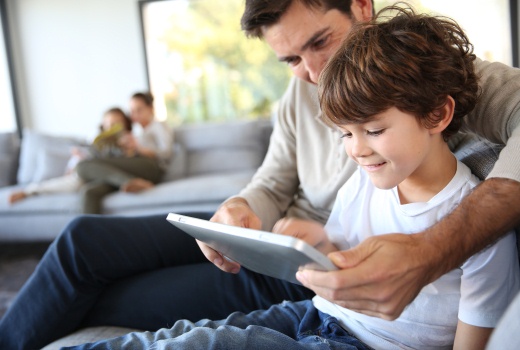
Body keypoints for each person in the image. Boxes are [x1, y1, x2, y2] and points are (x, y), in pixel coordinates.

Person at [0, 0, 519, 349]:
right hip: (286, 241)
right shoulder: (304, 92)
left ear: (362, 6)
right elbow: (272, 180)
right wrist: (244, 210)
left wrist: (439, 247)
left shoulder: (436, 78)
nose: (312, 73)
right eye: (291, 58)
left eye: (320, 43)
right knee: (82, 241)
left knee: (104, 298)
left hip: (306, 280)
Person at [7, 107, 132, 206]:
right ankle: (30, 190)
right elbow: (84, 158)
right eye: (109, 124)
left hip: (109, 176)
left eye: (116, 124)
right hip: (89, 174)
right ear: (103, 125)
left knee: (83, 184)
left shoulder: (130, 141)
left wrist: (129, 148)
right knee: (75, 180)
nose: (112, 127)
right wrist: (77, 159)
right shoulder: (95, 141)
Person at [75, 92, 173, 213]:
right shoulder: (136, 130)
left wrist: (137, 148)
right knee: (89, 192)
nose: (135, 115)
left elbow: (166, 153)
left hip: (149, 166)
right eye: (132, 111)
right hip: (129, 170)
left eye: (139, 110)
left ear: (150, 108)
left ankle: (127, 181)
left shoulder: (158, 125)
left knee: (82, 166)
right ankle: (89, 231)